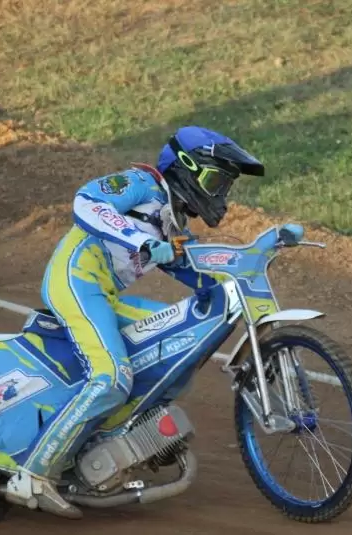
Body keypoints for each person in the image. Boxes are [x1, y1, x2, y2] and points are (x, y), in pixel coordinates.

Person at [21, 126, 265, 518]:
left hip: (107, 296)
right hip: (76, 279)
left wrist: (252, 266)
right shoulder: (140, 184)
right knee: (110, 377)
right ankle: (33, 474)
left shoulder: (174, 224)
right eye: (215, 181)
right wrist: (143, 241)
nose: (221, 193)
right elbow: (87, 202)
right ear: (186, 168)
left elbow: (200, 275)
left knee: (179, 351)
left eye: (225, 185)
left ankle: (103, 441)